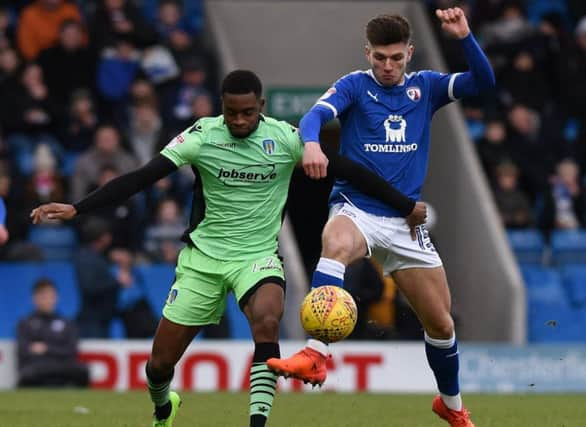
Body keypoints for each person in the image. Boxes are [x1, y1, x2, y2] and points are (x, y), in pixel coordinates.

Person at [31, 70, 425, 427]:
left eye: (248, 113)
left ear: (261, 108)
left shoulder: (285, 139)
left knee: (268, 322)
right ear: (222, 106)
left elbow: (350, 170)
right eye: (232, 112)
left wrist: (405, 205)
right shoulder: (201, 136)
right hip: (202, 262)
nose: (239, 120)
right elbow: (141, 177)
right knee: (159, 365)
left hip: (257, 258)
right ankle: (164, 407)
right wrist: (77, 208)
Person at [267, 9, 495, 427]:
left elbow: (483, 82)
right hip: (357, 209)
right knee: (335, 243)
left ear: (410, 53)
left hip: (405, 223)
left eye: (395, 58)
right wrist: (313, 144)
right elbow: (314, 116)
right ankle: (316, 354)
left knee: (441, 325)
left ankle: (451, 403)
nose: (387, 67)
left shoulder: (426, 87)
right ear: (367, 53)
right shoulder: (355, 86)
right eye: (379, 58)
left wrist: (464, 37)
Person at [16, 278, 89, 387]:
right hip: (36, 368)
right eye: (43, 296)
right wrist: (55, 350)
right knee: (29, 373)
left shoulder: (67, 323)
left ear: (56, 297)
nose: (47, 300)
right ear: (34, 298)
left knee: (82, 371)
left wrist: (46, 348)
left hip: (62, 367)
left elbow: (71, 350)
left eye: (51, 296)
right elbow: (23, 351)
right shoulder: (25, 323)